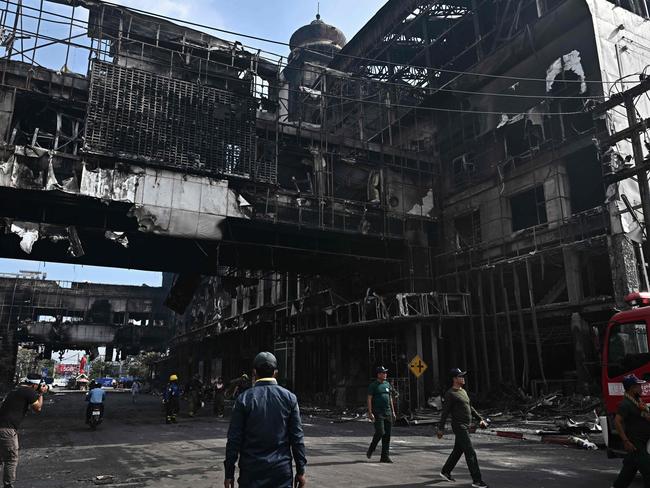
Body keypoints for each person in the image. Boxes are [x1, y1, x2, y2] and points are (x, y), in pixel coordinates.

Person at [224, 352, 306, 488]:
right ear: (275, 373)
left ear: (254, 373)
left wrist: (229, 473)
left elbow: (234, 440)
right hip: (281, 473)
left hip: (251, 473)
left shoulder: (244, 399)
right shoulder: (290, 398)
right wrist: (301, 471)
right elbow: (297, 438)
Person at [437, 368, 488, 488]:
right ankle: (477, 480)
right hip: (459, 426)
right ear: (454, 379)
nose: (463, 378)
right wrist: (440, 428)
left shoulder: (463, 391)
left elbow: (470, 408)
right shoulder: (450, 394)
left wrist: (480, 419)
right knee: (470, 452)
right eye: (460, 376)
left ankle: (445, 471)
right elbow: (445, 413)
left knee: (458, 451)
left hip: (466, 425)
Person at [0, 373, 47, 488]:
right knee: (11, 459)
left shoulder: (15, 390)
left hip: (3, 426)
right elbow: (38, 408)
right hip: (7, 429)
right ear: (35, 385)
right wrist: (41, 393)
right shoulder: (29, 392)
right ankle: (8, 485)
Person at [611, 374, 650, 488]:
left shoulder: (638, 402)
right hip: (636, 443)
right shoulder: (625, 404)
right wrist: (626, 441)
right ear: (632, 388)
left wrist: (645, 410)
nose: (641, 388)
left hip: (642, 441)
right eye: (638, 386)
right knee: (648, 472)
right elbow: (617, 422)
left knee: (629, 469)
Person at [366, 366, 396, 463]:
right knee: (380, 432)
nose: (385, 374)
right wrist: (370, 413)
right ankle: (372, 448)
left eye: (385, 373)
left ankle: (385, 456)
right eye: (383, 373)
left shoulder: (387, 384)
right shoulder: (373, 385)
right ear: (378, 374)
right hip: (378, 413)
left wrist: (393, 411)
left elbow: (390, 398)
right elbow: (369, 399)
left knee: (387, 435)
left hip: (387, 412)